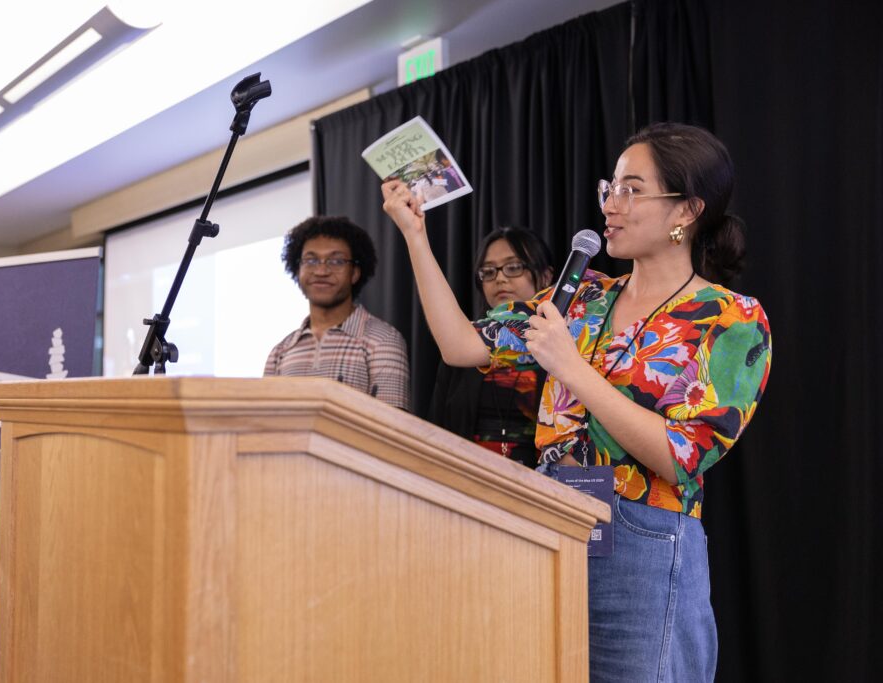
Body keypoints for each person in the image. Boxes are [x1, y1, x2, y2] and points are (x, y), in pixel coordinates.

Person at [382, 122, 771, 682]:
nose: (611, 204)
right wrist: (415, 236)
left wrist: (570, 367)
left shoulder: (731, 318)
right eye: (608, 188)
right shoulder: (584, 297)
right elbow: (460, 345)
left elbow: (681, 455)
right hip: (553, 524)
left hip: (646, 540)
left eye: (632, 190)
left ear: (685, 210)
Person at [428, 227, 554, 468]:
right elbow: (437, 427)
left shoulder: (570, 341)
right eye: (488, 271)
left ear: (546, 276)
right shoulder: (461, 347)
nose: (500, 278)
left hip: (546, 488)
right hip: (468, 483)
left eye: (514, 267)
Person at [264, 215, 411, 411]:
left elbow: (393, 429)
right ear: (297, 269)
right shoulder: (281, 351)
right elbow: (266, 425)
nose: (322, 270)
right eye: (311, 260)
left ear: (355, 273)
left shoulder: (383, 340)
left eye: (336, 261)